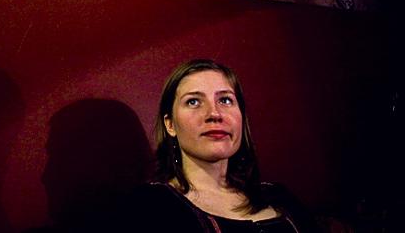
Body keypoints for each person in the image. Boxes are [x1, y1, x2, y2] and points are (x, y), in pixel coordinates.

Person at [115, 59, 321, 232]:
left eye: (225, 100)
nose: (214, 113)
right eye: (193, 102)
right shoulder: (148, 207)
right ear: (170, 125)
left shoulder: (279, 195)